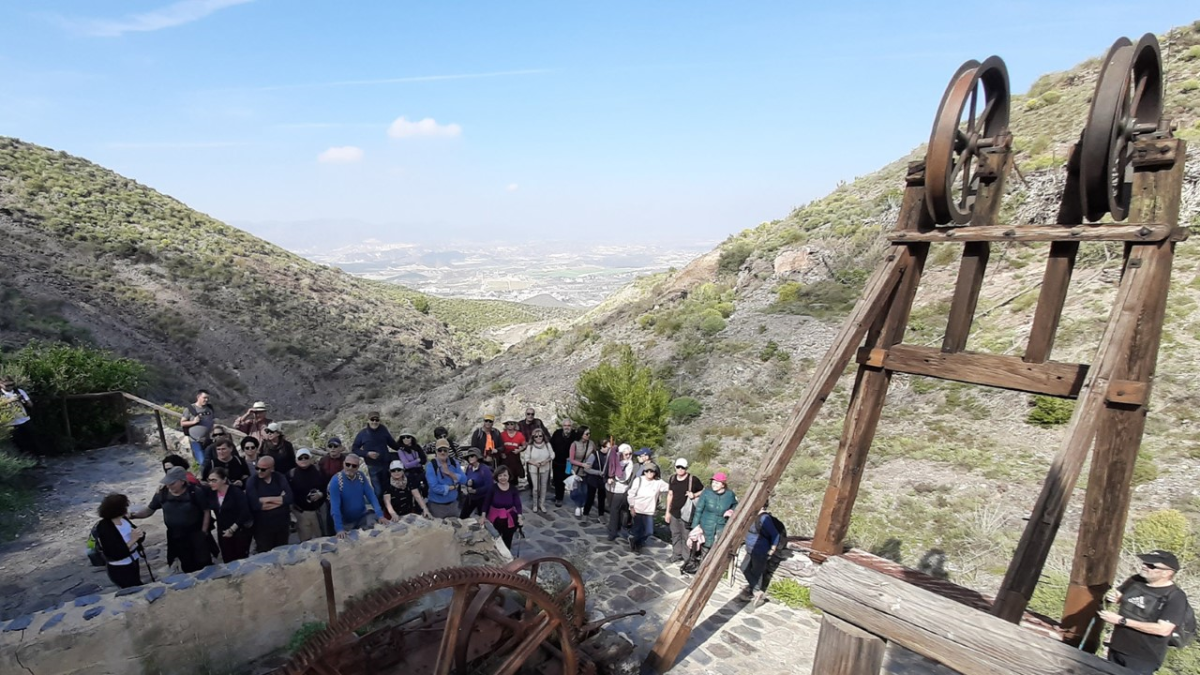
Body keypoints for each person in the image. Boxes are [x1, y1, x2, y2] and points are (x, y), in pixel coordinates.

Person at [1099, 550, 1191, 674]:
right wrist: (1114, 598)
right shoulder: (1136, 580)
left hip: (1142, 658)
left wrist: (1122, 621)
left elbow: (1163, 629)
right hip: (1116, 648)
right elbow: (1121, 597)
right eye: (1145, 562)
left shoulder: (1175, 597)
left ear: (1167, 573)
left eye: (1152, 566)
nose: (1145, 566)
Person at [131, 466, 212, 573]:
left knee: (203, 561)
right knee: (186, 562)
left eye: (172, 483)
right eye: (168, 483)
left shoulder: (195, 492)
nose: (169, 486)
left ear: (182, 481)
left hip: (195, 533)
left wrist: (204, 531)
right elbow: (150, 510)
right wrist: (133, 515)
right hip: (176, 535)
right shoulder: (162, 493)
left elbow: (206, 511)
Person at [95, 493, 146, 588]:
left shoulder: (123, 520)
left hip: (132, 560)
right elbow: (114, 553)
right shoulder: (105, 528)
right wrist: (133, 539)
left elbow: (135, 534)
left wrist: (140, 535)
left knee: (137, 583)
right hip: (120, 567)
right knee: (132, 588)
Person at [328, 453, 386, 537]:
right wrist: (339, 529)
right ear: (343, 463)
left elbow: (371, 496)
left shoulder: (361, 477)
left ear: (358, 467)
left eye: (354, 466)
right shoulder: (336, 481)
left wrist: (380, 515)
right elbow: (335, 508)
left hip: (362, 517)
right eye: (348, 464)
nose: (350, 468)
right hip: (346, 522)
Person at [739, 500, 782, 609]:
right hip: (750, 548)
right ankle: (756, 590)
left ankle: (757, 592)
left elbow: (774, 534)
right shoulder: (752, 516)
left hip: (760, 549)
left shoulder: (764, 518)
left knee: (757, 571)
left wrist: (773, 547)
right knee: (744, 567)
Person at [204, 467, 253, 563]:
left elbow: (245, 512)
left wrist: (232, 529)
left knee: (241, 559)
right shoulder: (211, 493)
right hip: (222, 530)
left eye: (214, 480)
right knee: (227, 559)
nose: (211, 483)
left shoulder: (235, 492)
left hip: (239, 530)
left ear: (224, 480)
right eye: (209, 480)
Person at [245, 455, 293, 552]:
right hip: (262, 528)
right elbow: (256, 505)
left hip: (281, 525)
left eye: (263, 469)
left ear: (271, 469)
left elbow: (289, 498)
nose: (259, 471)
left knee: (282, 551)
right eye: (257, 468)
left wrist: (265, 499)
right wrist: (280, 499)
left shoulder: (279, 477)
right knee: (265, 553)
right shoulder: (252, 481)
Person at [352, 412, 400, 500]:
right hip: (372, 466)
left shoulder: (383, 430)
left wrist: (403, 447)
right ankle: (379, 509)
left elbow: (392, 443)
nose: (374, 422)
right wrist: (367, 454)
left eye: (377, 420)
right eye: (372, 419)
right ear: (368, 420)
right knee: (378, 490)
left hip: (386, 464)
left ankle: (388, 509)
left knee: (388, 489)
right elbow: (355, 449)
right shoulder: (363, 433)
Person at [665, 458, 704, 563]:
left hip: (687, 513)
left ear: (686, 468)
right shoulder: (672, 479)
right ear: (675, 467)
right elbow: (670, 495)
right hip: (674, 512)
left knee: (686, 536)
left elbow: (703, 490)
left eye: (683, 467)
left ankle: (687, 558)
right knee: (675, 534)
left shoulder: (693, 480)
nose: (680, 469)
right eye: (678, 467)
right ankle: (676, 554)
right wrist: (667, 512)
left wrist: (694, 495)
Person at [692, 472, 738, 555]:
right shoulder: (706, 493)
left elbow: (735, 505)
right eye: (713, 482)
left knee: (717, 552)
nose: (714, 484)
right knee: (705, 551)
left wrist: (731, 511)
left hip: (721, 527)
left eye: (717, 483)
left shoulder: (730, 495)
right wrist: (695, 526)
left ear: (723, 485)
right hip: (705, 527)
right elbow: (698, 510)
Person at [627, 464, 669, 553]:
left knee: (649, 531)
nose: (649, 473)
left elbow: (670, 487)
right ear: (644, 472)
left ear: (655, 472)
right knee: (638, 529)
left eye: (651, 471)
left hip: (649, 511)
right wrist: (631, 507)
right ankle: (636, 545)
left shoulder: (658, 482)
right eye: (647, 471)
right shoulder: (638, 480)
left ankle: (636, 541)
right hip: (638, 509)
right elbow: (631, 494)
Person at [289, 449, 326, 542]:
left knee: (321, 539)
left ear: (311, 459)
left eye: (306, 457)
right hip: (301, 513)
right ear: (296, 460)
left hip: (319, 512)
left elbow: (327, 486)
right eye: (300, 458)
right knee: (305, 542)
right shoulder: (291, 474)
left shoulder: (319, 470)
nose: (303, 460)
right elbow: (288, 494)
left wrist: (321, 494)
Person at [482, 466, 523, 551]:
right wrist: (483, 516)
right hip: (495, 519)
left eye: (505, 475)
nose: (502, 478)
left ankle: (507, 558)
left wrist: (520, 517)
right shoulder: (493, 488)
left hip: (509, 518)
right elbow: (486, 503)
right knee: (495, 540)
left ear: (509, 476)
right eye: (500, 475)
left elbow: (518, 504)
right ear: (497, 477)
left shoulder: (513, 489)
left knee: (508, 540)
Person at [569, 427, 604, 521]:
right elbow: (571, 459)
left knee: (585, 491)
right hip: (576, 471)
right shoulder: (574, 444)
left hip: (588, 471)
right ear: (581, 434)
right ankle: (578, 505)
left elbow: (595, 454)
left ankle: (583, 505)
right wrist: (582, 464)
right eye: (586, 434)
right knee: (576, 491)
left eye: (589, 433)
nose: (589, 435)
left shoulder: (591, 443)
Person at [426, 443, 466, 518]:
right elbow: (435, 487)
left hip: (454, 504)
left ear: (448, 451)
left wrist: (450, 473)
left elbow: (464, 480)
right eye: (440, 450)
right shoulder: (431, 466)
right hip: (437, 507)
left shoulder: (453, 462)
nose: (442, 452)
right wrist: (452, 487)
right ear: (436, 451)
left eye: (445, 450)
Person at [606, 444, 636, 541]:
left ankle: (613, 532)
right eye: (626, 454)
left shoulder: (629, 464)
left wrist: (614, 476)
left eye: (629, 454)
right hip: (611, 488)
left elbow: (623, 478)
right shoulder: (615, 461)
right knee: (613, 508)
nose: (628, 456)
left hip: (621, 490)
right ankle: (616, 527)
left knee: (615, 510)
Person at [1, 376, 36, 454]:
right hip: (9, 423)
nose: (10, 387)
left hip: (24, 419)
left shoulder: (19, 391)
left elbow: (30, 404)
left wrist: (22, 400)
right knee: (17, 444)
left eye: (12, 385)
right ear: (1, 384)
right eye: (7, 385)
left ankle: (35, 458)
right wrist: (9, 401)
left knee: (32, 441)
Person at [180, 389, 215, 466]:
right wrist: (194, 422)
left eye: (207, 398)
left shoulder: (209, 408)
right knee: (202, 462)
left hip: (207, 440)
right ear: (198, 397)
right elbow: (182, 423)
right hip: (195, 440)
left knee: (211, 461)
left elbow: (212, 421)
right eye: (204, 398)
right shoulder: (190, 409)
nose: (206, 400)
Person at [550, 419, 577, 508]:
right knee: (558, 481)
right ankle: (559, 498)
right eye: (565, 425)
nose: (567, 427)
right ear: (562, 426)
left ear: (571, 427)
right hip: (557, 462)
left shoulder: (575, 435)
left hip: (569, 463)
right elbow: (551, 444)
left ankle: (576, 499)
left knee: (570, 480)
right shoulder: (557, 433)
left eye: (568, 426)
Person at [526, 427, 553, 512]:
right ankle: (535, 504)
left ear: (543, 436)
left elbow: (552, 455)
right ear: (533, 437)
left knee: (544, 486)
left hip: (545, 468)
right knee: (535, 488)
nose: (538, 438)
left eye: (540, 436)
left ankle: (542, 504)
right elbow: (526, 458)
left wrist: (546, 461)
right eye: (536, 436)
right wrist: (534, 463)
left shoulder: (547, 445)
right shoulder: (530, 446)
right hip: (534, 469)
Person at [394, 431, 428, 497]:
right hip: (409, 473)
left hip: (420, 470)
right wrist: (417, 460)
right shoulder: (401, 450)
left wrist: (417, 461)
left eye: (408, 437)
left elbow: (424, 460)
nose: (406, 439)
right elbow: (406, 465)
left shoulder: (417, 448)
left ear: (412, 438)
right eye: (403, 437)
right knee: (415, 486)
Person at [499, 419, 527, 489]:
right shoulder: (502, 434)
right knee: (504, 474)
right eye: (508, 424)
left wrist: (520, 449)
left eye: (512, 424)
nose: (510, 426)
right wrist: (501, 453)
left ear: (515, 425)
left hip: (515, 457)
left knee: (514, 476)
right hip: (504, 458)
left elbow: (524, 445)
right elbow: (498, 445)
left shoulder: (519, 435)